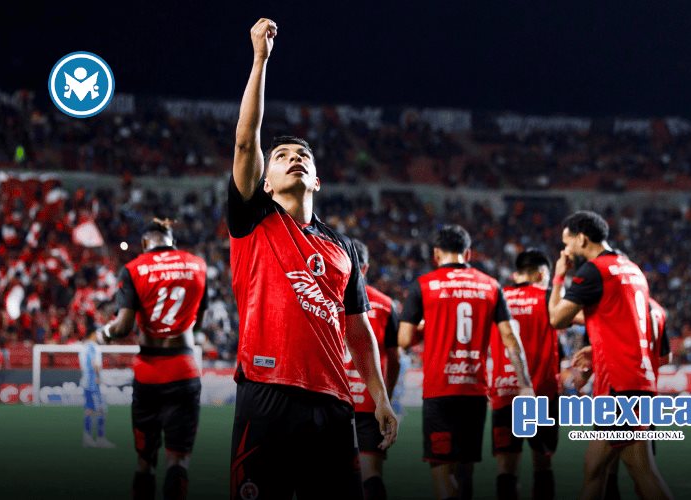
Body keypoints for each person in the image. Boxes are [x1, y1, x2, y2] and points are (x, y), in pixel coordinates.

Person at [227, 17, 397, 500]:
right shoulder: (253, 220)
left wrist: (379, 397)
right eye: (281, 156)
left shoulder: (343, 249)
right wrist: (260, 60)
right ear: (265, 180)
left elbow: (359, 329)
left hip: (334, 402)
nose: (293, 157)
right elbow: (245, 142)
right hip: (267, 393)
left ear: (318, 181)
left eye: (303, 156)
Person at [398, 224, 532, 500]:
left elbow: (404, 339)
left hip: (440, 390)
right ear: (468, 253)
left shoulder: (424, 285)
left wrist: (430, 325)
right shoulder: (491, 285)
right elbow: (510, 336)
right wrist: (525, 383)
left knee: (441, 471)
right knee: (466, 470)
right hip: (473, 390)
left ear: (436, 254)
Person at [547, 210, 672, 500]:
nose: (565, 250)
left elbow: (556, 319)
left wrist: (558, 276)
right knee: (595, 467)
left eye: (567, 243)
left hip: (620, 384)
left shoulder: (593, 271)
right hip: (634, 379)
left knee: (640, 472)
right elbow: (625, 322)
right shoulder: (632, 269)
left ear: (582, 238)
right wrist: (598, 348)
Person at [98, 218, 207, 500]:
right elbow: (198, 321)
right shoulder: (197, 265)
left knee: (145, 462)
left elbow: (122, 327)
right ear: (171, 240)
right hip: (184, 369)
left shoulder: (133, 269)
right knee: (179, 461)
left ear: (146, 242)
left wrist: (105, 333)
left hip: (149, 373)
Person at [489, 248, 560, 500]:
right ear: (542, 274)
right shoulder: (548, 297)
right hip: (541, 392)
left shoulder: (497, 297)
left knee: (506, 466)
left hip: (505, 392)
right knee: (542, 462)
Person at [345, 239, 400, 500]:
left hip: (334, 399)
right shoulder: (386, 305)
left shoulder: (320, 297)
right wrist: (384, 395)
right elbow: (395, 357)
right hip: (370, 401)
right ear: (364, 267)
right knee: (371, 474)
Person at [79, 328, 114, 448]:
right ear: (93, 333)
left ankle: (88, 437)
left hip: (86, 382)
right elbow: (94, 364)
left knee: (90, 409)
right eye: (98, 333)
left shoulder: (84, 346)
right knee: (101, 409)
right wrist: (99, 376)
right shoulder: (92, 347)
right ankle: (99, 438)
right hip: (93, 383)